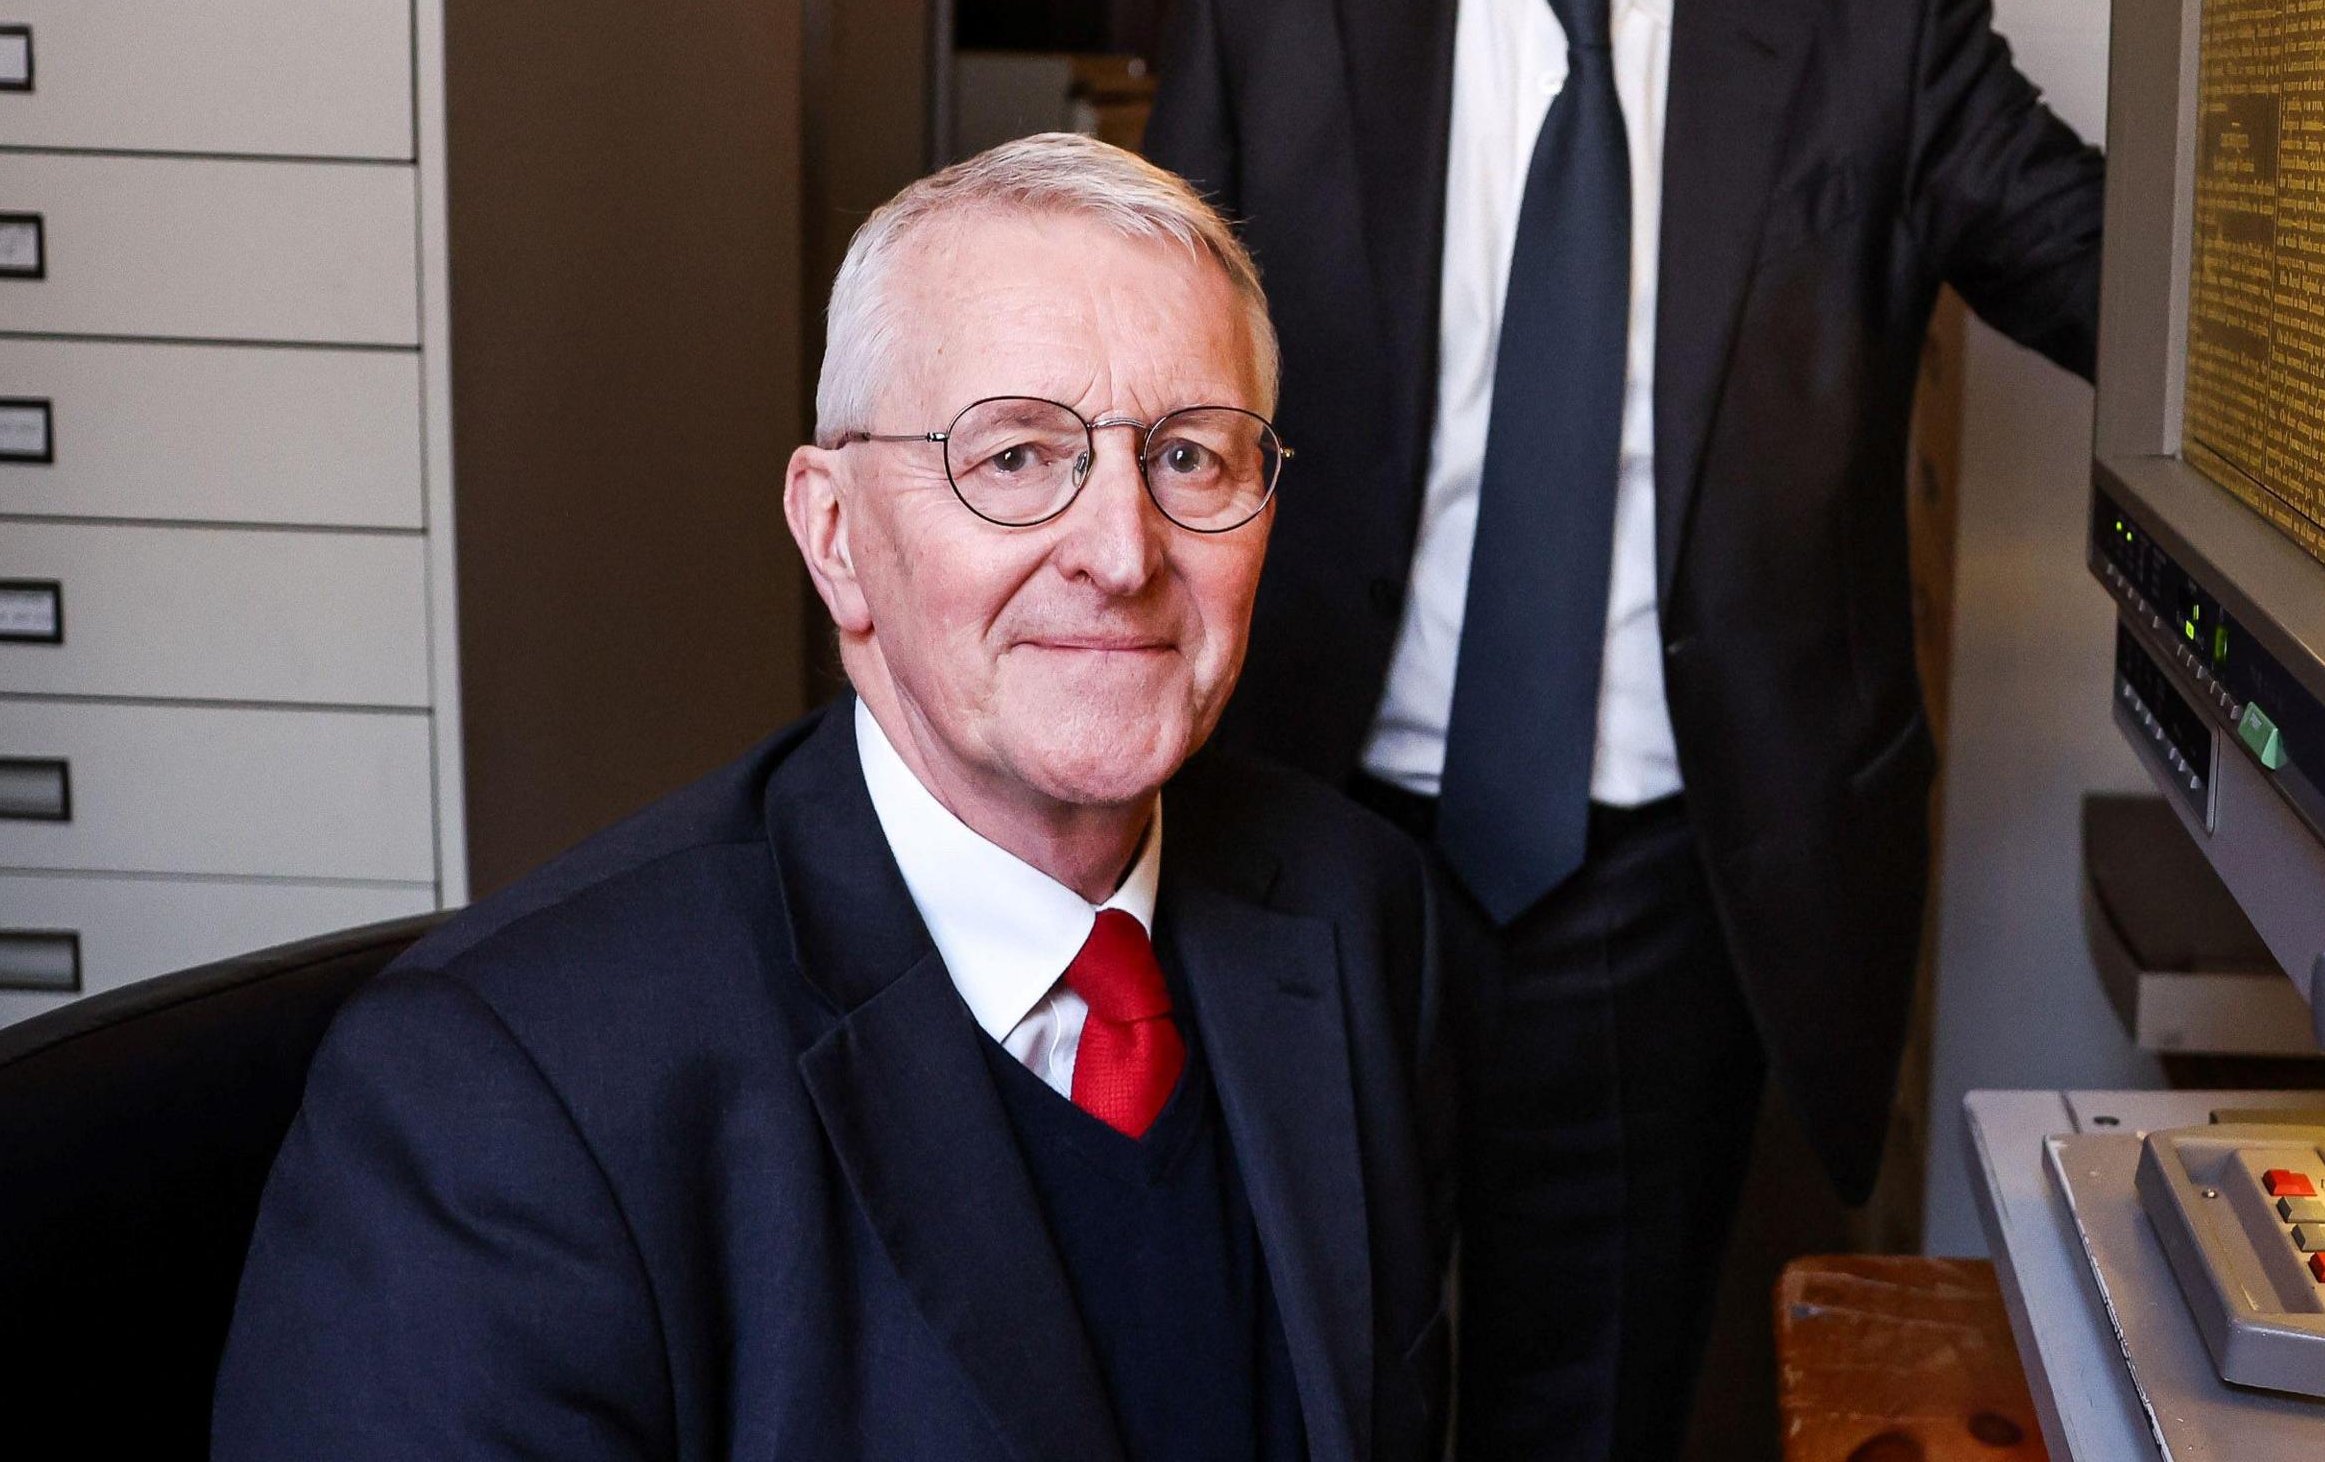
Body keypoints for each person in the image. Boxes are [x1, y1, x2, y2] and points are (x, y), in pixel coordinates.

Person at [1145, 0, 2104, 1462]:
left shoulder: (1877, 10)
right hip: (1302, 849)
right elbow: (1147, 404)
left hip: (1680, 898)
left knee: (1600, 1427)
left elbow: (2164, 307)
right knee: (1289, 1387)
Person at [214, 136, 1453, 1462]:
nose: (1120, 553)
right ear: (836, 535)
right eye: (1018, 456)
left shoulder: (1353, 909)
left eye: (1192, 459)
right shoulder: (506, 1091)